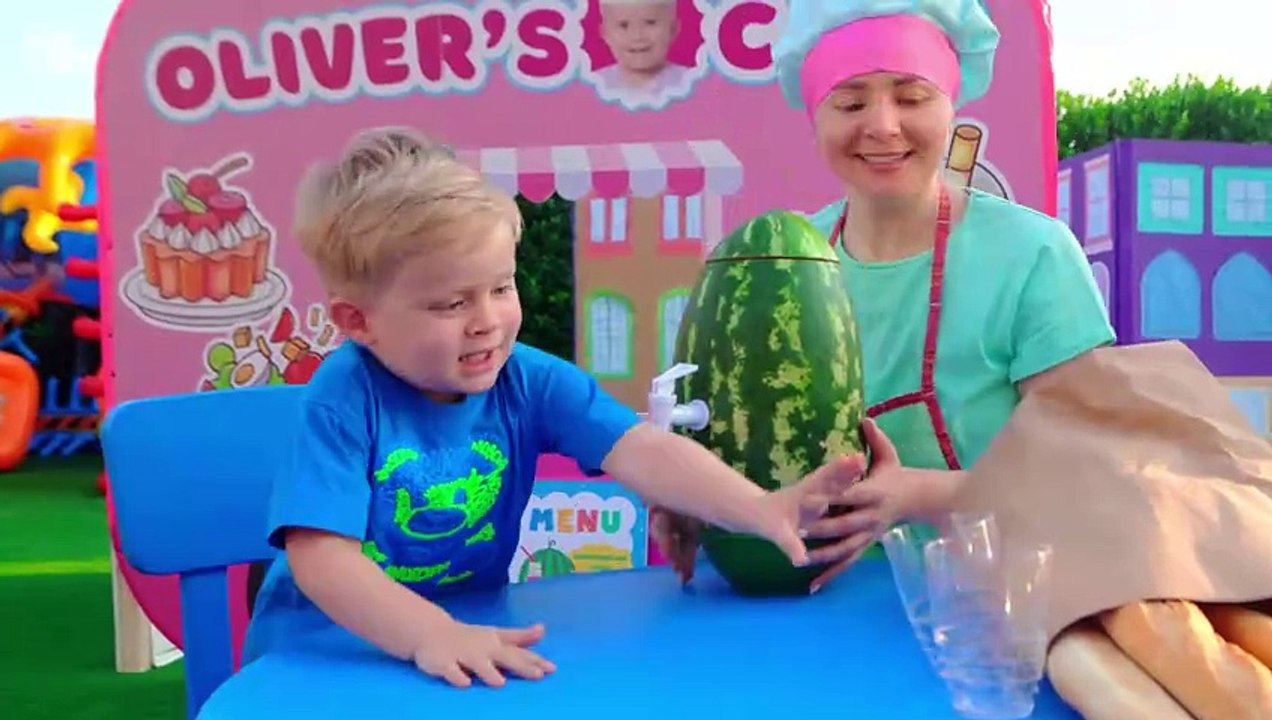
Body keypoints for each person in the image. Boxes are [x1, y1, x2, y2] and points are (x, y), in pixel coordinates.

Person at [242, 126, 863, 688]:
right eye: (451, 305)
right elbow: (321, 560)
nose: (488, 322)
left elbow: (641, 448)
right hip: (322, 652)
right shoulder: (344, 397)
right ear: (359, 321)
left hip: (468, 636)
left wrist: (758, 506)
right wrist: (427, 634)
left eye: (501, 288)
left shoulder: (527, 378)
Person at [652, 0, 1116, 593]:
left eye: (912, 96)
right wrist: (701, 503)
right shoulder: (782, 261)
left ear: (952, 104)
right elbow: (736, 444)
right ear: (817, 117)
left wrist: (922, 495)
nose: (883, 125)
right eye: (850, 103)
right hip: (814, 613)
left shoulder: (1034, 255)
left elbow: (1090, 468)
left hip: (995, 612)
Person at [591, 0, 688, 105]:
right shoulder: (593, 85)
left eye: (650, 23)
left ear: (673, 29)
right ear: (605, 33)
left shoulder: (690, 83)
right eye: (624, 25)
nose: (637, 36)